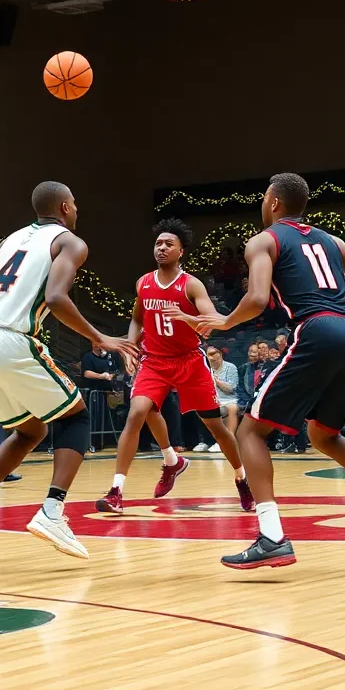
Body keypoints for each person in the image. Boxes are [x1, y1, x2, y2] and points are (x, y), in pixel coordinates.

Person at [173, 173, 345, 569]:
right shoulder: (329, 239)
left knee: (250, 429)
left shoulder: (264, 240)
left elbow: (255, 298)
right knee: (324, 433)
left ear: (272, 202)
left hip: (317, 330)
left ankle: (271, 536)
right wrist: (341, 306)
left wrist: (223, 322)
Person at [0, 181, 137, 562]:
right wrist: (102, 337)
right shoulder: (69, 242)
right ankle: (52, 511)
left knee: (31, 430)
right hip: (11, 339)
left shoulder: (10, 240)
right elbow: (55, 298)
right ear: (65, 207)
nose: (77, 210)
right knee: (77, 416)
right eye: (76, 204)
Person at [97, 219, 252, 516]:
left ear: (181, 251)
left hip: (190, 361)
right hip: (154, 361)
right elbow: (138, 319)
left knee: (215, 426)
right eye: (158, 243)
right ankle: (118, 490)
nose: (162, 248)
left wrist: (187, 317)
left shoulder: (191, 284)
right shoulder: (143, 282)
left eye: (169, 244)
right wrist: (131, 346)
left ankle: (242, 480)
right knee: (138, 413)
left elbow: (213, 319)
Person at [207, 345, 240, 451]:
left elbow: (232, 388)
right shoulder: (206, 369)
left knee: (232, 408)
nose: (210, 357)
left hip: (229, 399)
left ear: (220, 354)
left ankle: (229, 440)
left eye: (213, 354)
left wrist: (217, 381)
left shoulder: (230, 367)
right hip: (212, 400)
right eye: (208, 355)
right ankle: (206, 441)